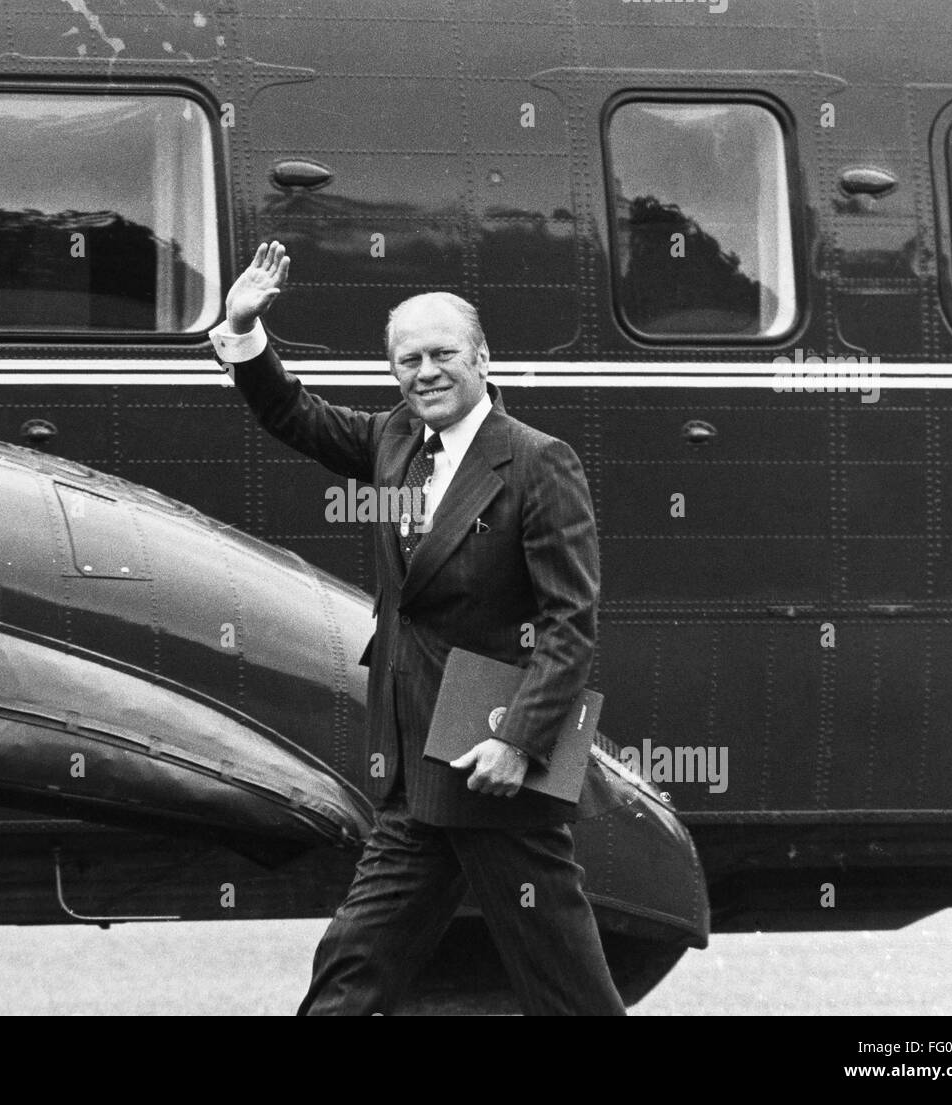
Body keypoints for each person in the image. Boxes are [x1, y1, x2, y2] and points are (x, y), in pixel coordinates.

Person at [209, 241, 625, 1016]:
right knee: (354, 960)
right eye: (407, 361)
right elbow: (292, 414)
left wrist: (520, 739)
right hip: (413, 760)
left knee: (564, 982)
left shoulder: (539, 462)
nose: (424, 372)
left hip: (495, 759)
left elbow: (569, 623)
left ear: (482, 359)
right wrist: (244, 329)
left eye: (442, 355)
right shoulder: (392, 440)